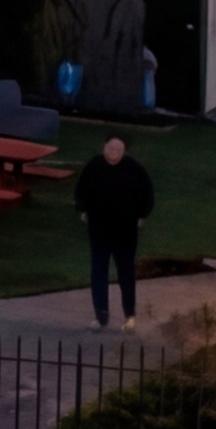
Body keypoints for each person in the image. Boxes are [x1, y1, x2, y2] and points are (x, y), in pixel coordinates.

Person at [73, 133, 157, 327]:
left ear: (124, 151)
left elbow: (148, 194)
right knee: (99, 271)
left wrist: (142, 215)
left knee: (125, 272)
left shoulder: (134, 169)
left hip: (125, 231)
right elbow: (80, 191)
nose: (114, 152)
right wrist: (83, 209)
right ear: (104, 148)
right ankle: (101, 314)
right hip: (99, 230)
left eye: (119, 149)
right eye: (111, 148)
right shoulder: (94, 167)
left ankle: (129, 314)